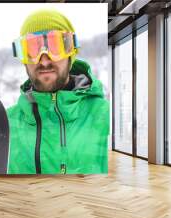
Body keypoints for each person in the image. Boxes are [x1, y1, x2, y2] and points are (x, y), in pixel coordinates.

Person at [7, 9, 110, 174]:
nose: (45, 60)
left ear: (71, 52)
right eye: (33, 49)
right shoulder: (4, 124)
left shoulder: (104, 115)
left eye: (55, 46)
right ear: (23, 58)